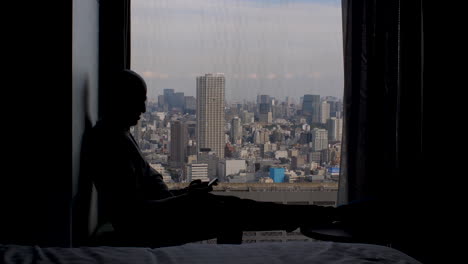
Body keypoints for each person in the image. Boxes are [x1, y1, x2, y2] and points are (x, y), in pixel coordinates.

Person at [83, 69, 339, 247]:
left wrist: (184, 192)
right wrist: (185, 200)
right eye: (136, 101)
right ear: (117, 100)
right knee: (235, 210)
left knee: (235, 207)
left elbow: (144, 198)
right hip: (155, 225)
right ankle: (321, 215)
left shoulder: (118, 134)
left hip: (166, 214)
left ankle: (317, 214)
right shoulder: (109, 141)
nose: (143, 109)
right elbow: (132, 214)